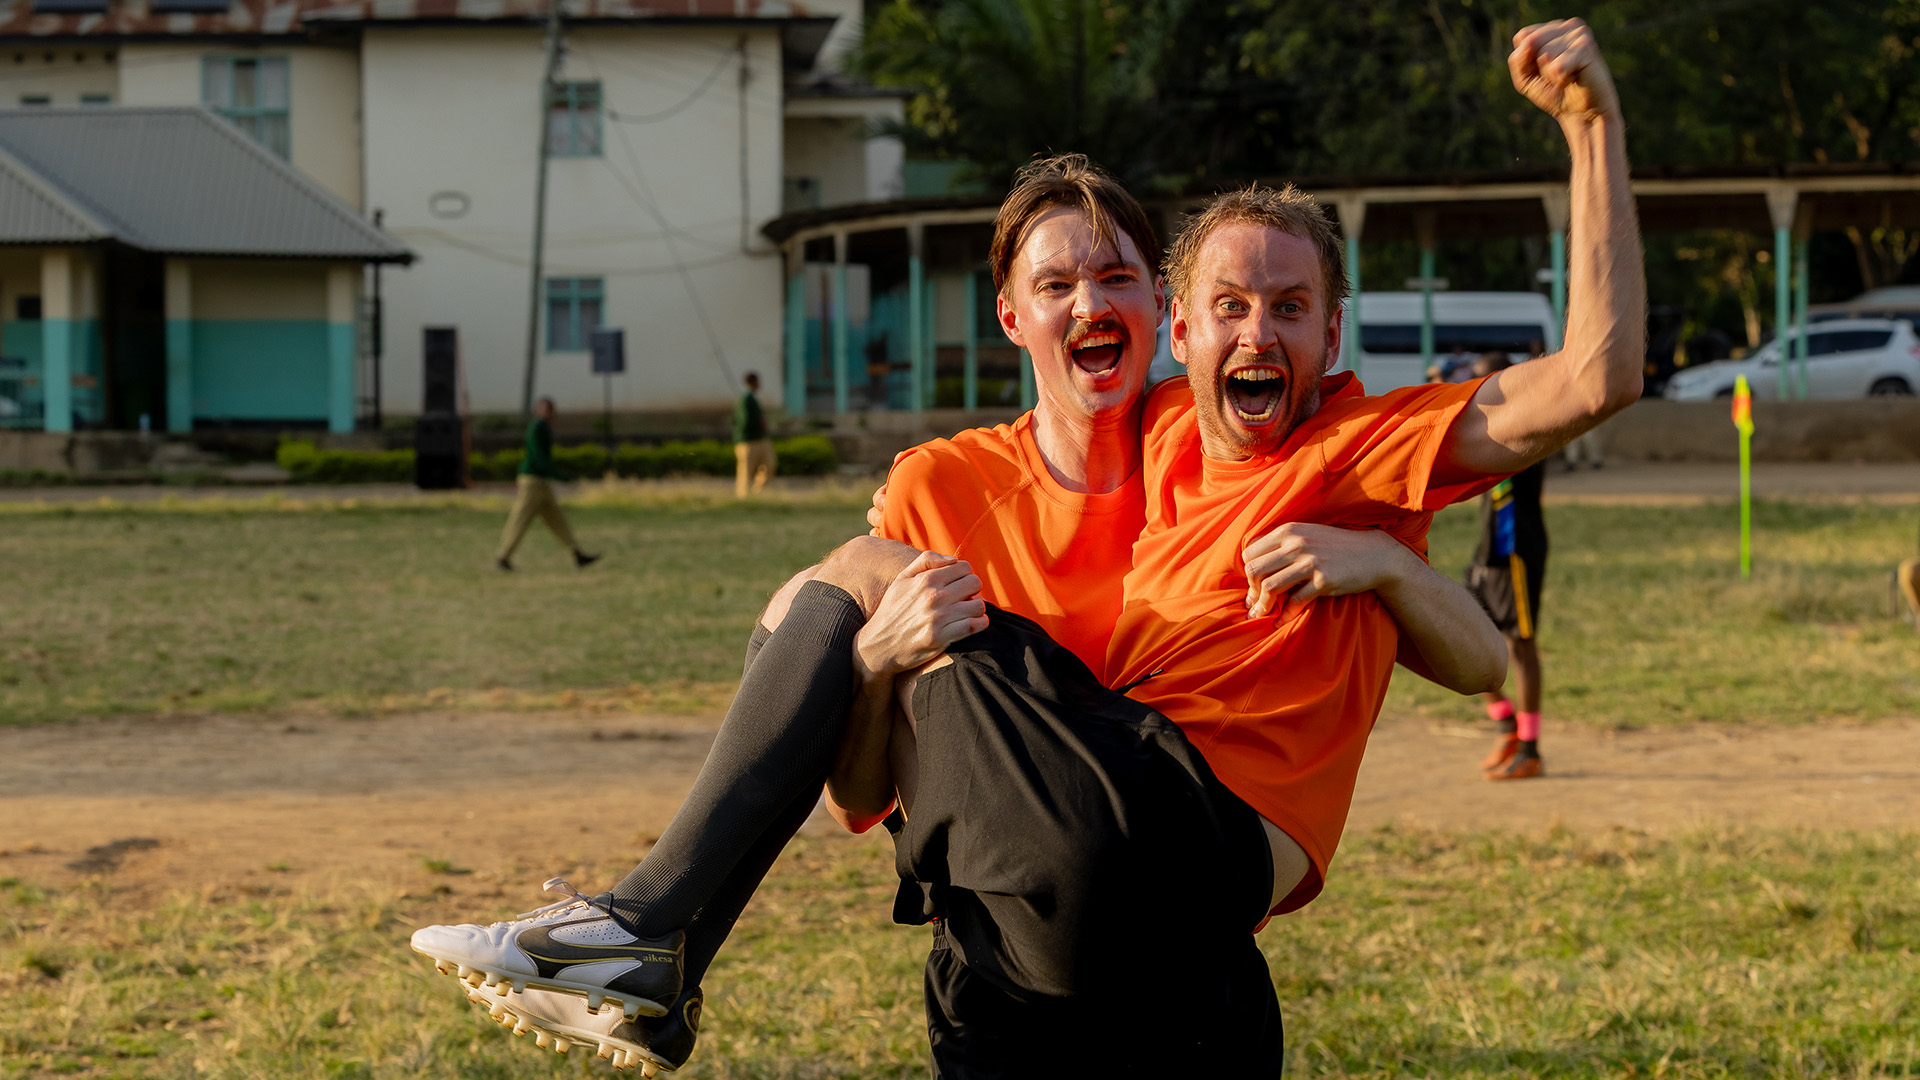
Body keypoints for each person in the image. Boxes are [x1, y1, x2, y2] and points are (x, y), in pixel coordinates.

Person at [417, 18, 1644, 1071]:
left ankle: (652, 927)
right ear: (1038, 316)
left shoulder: (1342, 445)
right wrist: (884, 665)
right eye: (1228, 303)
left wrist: (1591, 128)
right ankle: (656, 947)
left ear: (1321, 333)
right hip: (1023, 919)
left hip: (1180, 862)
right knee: (859, 596)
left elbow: (1592, 386)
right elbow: (859, 788)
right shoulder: (1027, 466)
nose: (1252, 328)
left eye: (1284, 307)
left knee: (844, 576)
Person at [1462, 353, 1551, 779]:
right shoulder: (1486, 425)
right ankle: (1507, 728)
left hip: (1516, 548)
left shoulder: (1525, 425)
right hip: (1488, 550)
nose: (1477, 394)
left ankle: (1530, 748)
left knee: (1520, 645)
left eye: (1485, 384)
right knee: (1464, 637)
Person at [496, 397, 600, 571]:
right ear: (538, 410)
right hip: (533, 482)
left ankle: (577, 554)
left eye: (551, 410)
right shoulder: (537, 427)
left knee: (558, 520)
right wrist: (561, 476)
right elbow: (539, 457)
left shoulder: (543, 428)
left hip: (542, 483)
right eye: (546, 410)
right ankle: (503, 556)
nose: (550, 414)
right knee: (520, 520)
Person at [733, 371, 775, 497]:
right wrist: (759, 422)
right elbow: (744, 421)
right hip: (747, 441)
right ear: (753, 382)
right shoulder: (745, 400)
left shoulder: (752, 398)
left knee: (769, 465)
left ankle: (758, 493)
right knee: (746, 473)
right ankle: (744, 498)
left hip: (760, 439)